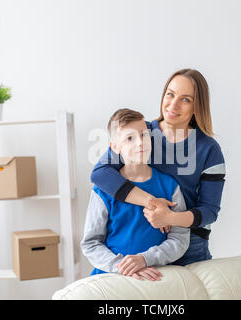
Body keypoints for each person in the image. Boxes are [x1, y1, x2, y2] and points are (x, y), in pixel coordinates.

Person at [91, 69, 226, 266]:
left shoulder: (209, 149)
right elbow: (100, 174)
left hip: (189, 243)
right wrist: (153, 203)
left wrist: (171, 217)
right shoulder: (140, 132)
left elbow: (209, 211)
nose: (173, 104)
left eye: (185, 99)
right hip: (142, 237)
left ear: (197, 107)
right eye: (170, 94)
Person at [81, 108, 190, 281]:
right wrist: (123, 266)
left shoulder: (170, 186)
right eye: (130, 138)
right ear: (115, 147)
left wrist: (145, 259)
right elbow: (91, 243)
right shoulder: (102, 190)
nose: (140, 142)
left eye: (144, 135)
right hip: (111, 276)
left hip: (156, 276)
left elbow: (180, 239)